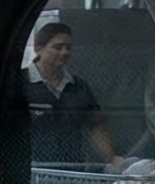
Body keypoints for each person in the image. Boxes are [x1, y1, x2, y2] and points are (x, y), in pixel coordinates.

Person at [21, 21, 122, 166]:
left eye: (68, 48)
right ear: (39, 48)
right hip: (32, 169)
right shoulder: (19, 82)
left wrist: (111, 157)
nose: (65, 53)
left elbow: (95, 125)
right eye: (58, 47)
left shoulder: (78, 87)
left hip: (71, 169)